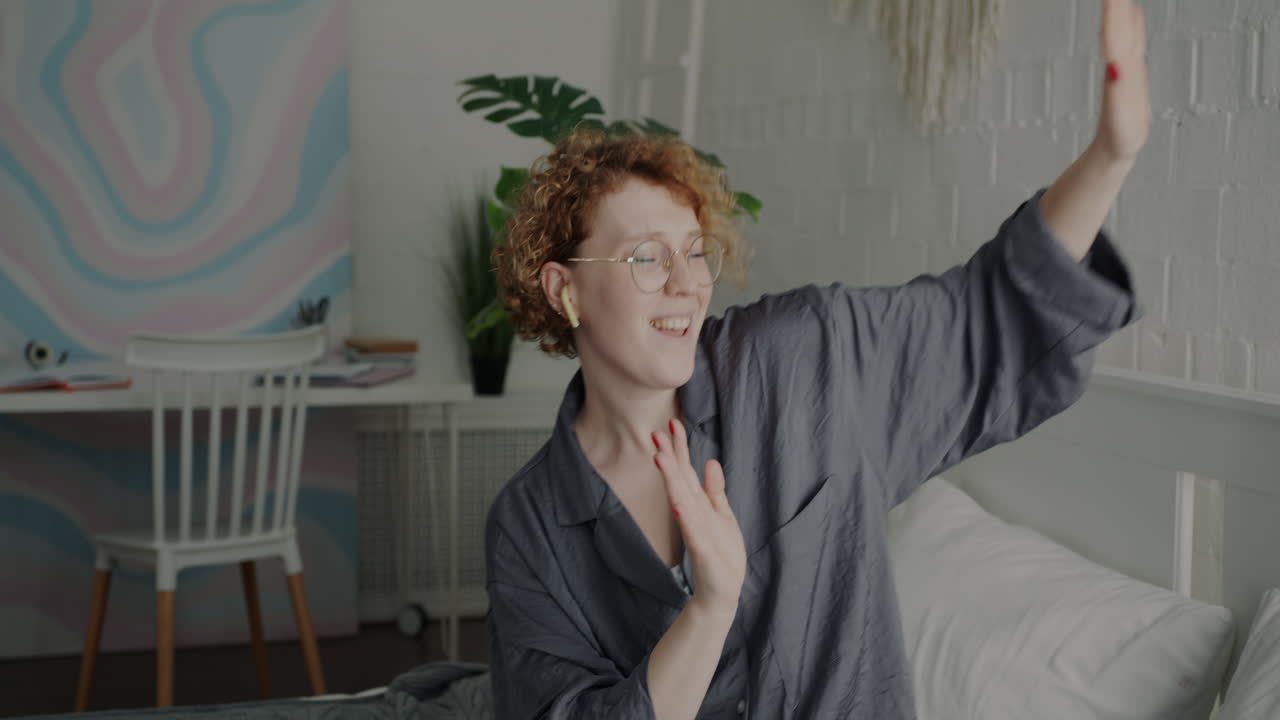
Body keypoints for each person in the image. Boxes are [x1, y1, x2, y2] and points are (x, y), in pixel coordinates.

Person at [484, 0, 1149, 716]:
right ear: (566, 290)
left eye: (696, 250)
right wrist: (710, 608)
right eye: (647, 255)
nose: (686, 282)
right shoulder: (530, 527)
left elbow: (987, 315)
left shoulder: (805, 360)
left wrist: (1112, 153)